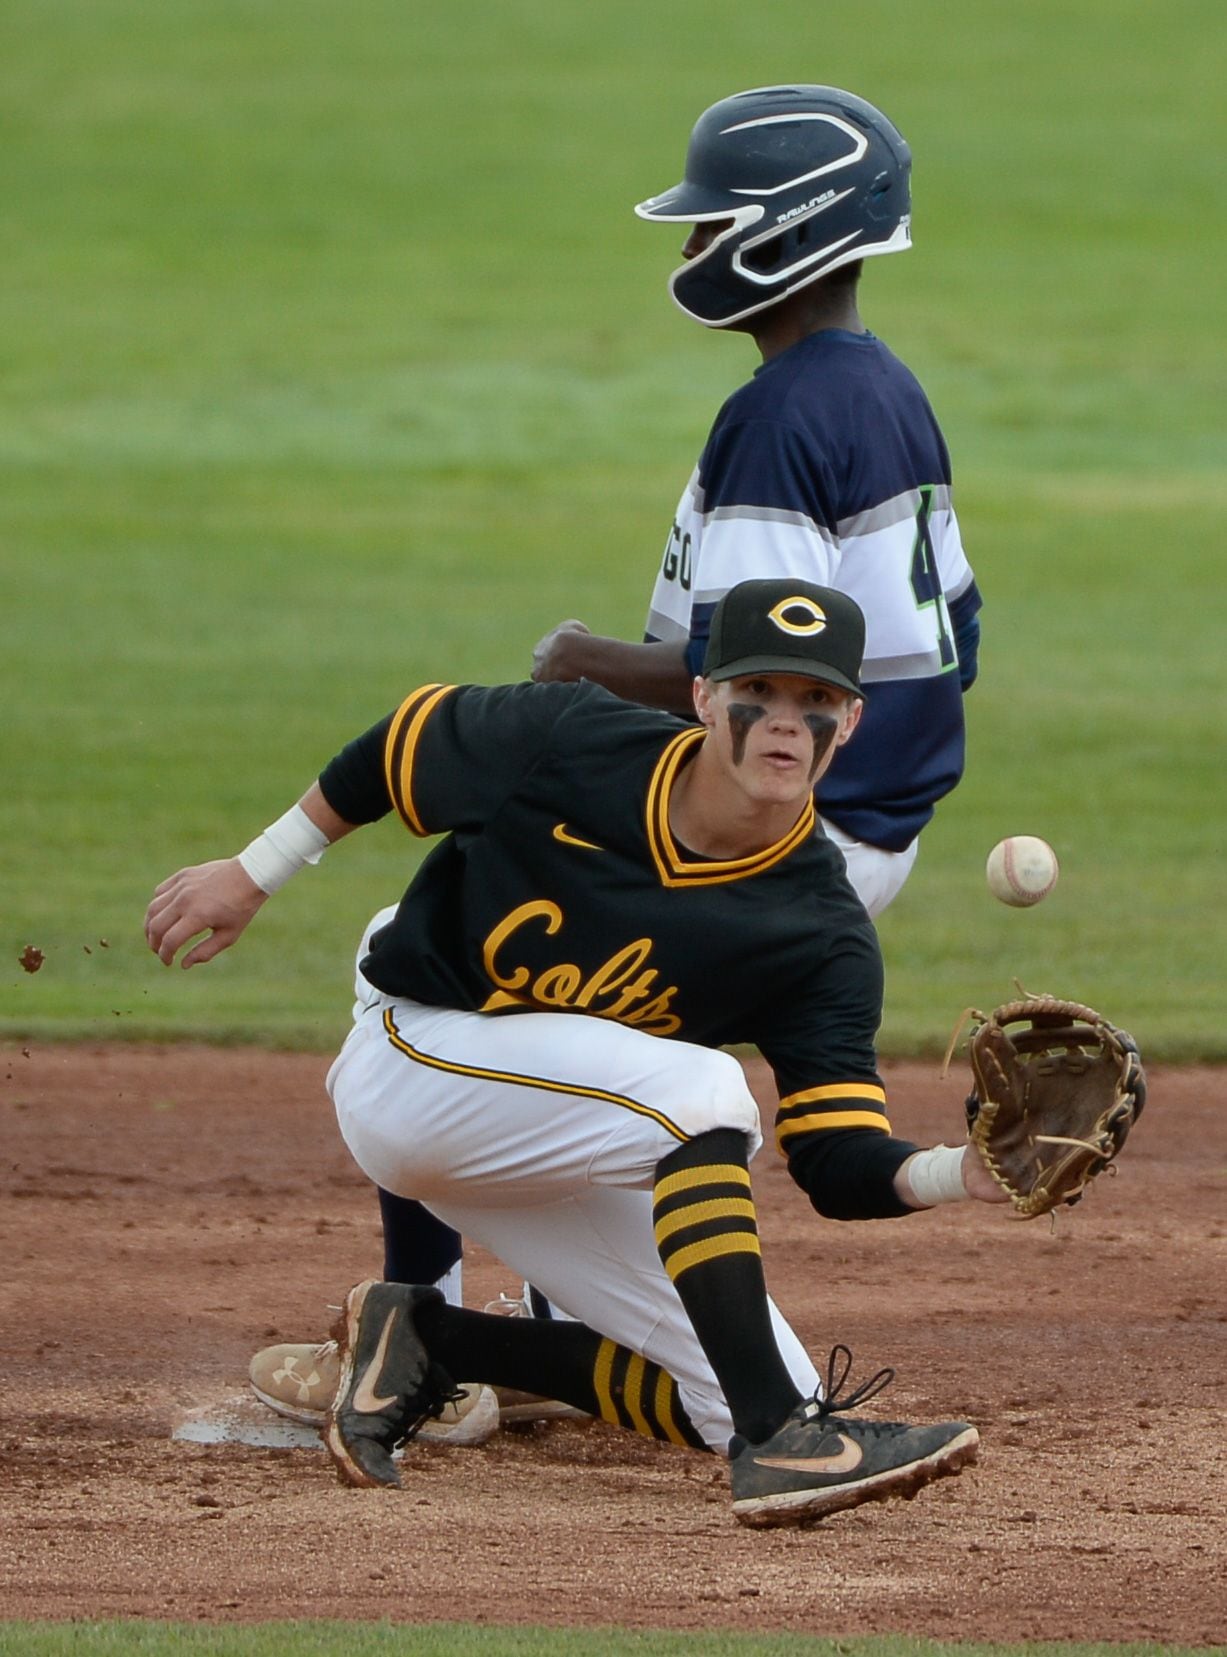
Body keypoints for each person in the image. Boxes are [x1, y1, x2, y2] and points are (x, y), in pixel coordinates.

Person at [250, 84, 985, 1417]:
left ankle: (453, 1344)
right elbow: (936, 644)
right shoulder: (877, 389)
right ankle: (493, 1332)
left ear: (784, 234)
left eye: (714, 226)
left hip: (772, 828)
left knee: (448, 967)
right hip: (855, 814)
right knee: (528, 1010)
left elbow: (761, 668)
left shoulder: (781, 418)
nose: (694, 250)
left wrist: (586, 667)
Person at [147, 578, 1004, 1527]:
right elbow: (401, 746)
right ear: (703, 696)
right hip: (414, 1057)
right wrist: (252, 872)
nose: (784, 722)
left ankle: (432, 1341)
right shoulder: (573, 740)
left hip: (551, 1136)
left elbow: (837, 1158)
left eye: (816, 702)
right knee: (708, 1090)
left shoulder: (821, 929)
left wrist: (965, 1171)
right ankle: (783, 1441)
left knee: (727, 1386)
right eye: (759, 689)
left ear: (850, 721)